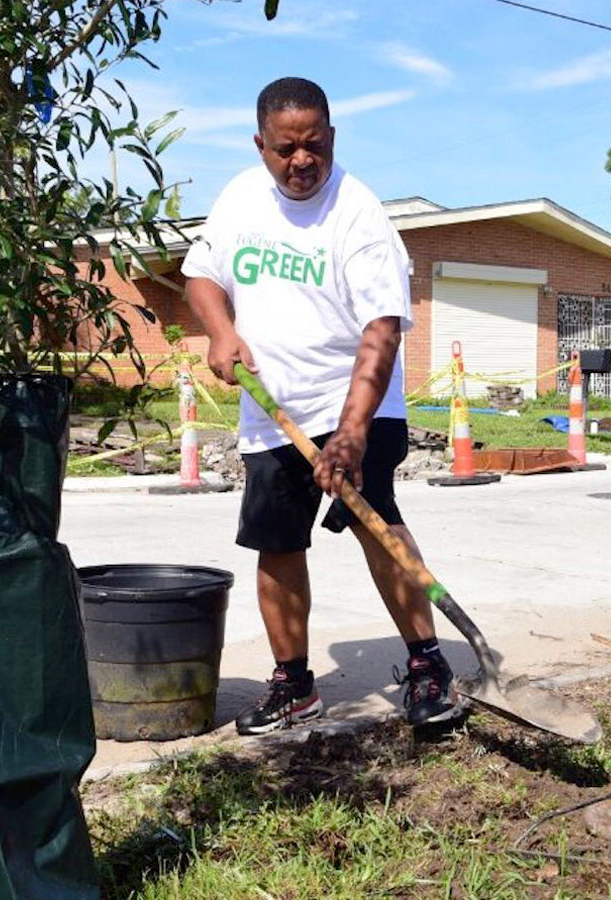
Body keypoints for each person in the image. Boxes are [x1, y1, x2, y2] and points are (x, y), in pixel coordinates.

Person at [181, 76, 461, 736]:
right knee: (275, 541)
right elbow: (201, 275)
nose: (302, 160)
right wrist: (221, 332)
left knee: (375, 521)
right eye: (286, 148)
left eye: (315, 145)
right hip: (272, 408)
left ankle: (427, 664)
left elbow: (382, 332)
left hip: (358, 403)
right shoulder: (240, 197)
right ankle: (294, 684)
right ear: (260, 145)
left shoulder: (359, 217)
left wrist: (352, 431)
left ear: (332, 137)